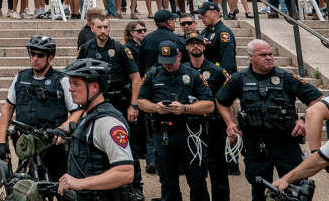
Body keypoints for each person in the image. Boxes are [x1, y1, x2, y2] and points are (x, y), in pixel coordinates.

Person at [215, 39, 324, 201]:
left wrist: (303, 120)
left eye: (270, 54)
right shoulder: (239, 79)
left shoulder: (285, 77)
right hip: (256, 145)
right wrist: (230, 123)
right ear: (250, 57)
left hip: (286, 143)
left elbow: (318, 100)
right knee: (259, 190)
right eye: (262, 55)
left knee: (295, 189)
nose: (268, 58)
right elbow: (221, 101)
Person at [0, 35, 79, 182]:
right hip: (25, 141)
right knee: (27, 187)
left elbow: (77, 111)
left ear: (51, 57)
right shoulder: (20, 78)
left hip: (52, 144)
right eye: (32, 53)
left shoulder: (62, 80)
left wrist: (63, 129)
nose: (35, 58)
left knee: (58, 185)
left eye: (40, 55)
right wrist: (1, 142)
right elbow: (8, 108)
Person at [136, 43, 213, 201]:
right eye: (164, 61)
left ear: (179, 56)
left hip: (188, 133)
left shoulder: (192, 75)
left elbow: (209, 105)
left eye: (171, 61)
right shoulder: (152, 74)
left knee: (197, 181)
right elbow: (141, 102)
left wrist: (185, 108)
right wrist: (155, 107)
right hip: (163, 134)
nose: (168, 65)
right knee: (168, 182)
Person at [56, 59, 135, 200]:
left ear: (94, 87)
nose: (70, 89)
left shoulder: (108, 122)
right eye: (70, 83)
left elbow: (126, 172)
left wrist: (79, 183)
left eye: (76, 84)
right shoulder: (87, 114)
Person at [184, 32, 231, 199]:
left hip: (214, 126)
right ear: (187, 47)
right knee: (195, 171)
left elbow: (228, 99)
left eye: (198, 43)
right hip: (192, 127)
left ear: (204, 46)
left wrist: (231, 124)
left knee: (218, 170)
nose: (195, 46)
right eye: (191, 43)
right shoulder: (183, 70)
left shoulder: (217, 71)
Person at [138, 9, 186, 75]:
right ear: (169, 22)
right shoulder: (177, 39)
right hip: (173, 78)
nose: (174, 23)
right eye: (173, 20)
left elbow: (140, 63)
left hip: (151, 78)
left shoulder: (146, 39)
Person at [195, 1, 237, 74]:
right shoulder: (205, 32)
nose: (201, 17)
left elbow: (227, 61)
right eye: (200, 14)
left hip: (219, 75)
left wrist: (223, 78)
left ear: (214, 13)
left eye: (203, 13)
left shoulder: (224, 33)